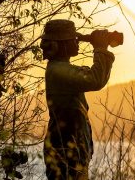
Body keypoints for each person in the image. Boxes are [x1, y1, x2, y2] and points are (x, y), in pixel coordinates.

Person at [40, 19, 115, 180]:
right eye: (73, 39)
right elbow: (95, 79)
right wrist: (100, 48)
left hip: (71, 152)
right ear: (60, 45)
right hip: (65, 153)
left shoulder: (60, 68)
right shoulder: (58, 70)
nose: (77, 42)